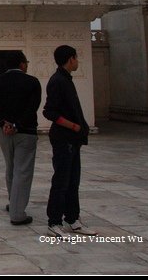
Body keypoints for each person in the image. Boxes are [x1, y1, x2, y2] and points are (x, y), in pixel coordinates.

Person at [43, 45, 97, 238]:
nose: (78, 61)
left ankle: (72, 219)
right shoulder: (57, 81)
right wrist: (73, 126)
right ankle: (54, 222)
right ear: (70, 59)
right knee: (61, 181)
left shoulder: (66, 79)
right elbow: (49, 111)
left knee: (73, 181)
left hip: (72, 140)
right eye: (76, 58)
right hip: (64, 139)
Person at [0, 51, 41, 225]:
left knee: (11, 167)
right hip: (25, 131)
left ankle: (13, 202)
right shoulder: (32, 82)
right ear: (22, 64)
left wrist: (4, 124)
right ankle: (17, 213)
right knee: (22, 171)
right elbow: (32, 107)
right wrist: (16, 124)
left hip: (4, 132)